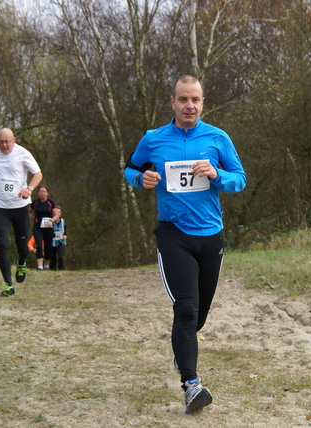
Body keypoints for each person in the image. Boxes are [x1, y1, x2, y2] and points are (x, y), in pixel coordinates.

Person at [124, 75, 247, 414]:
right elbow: (130, 169)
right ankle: (191, 384)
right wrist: (140, 178)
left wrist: (217, 175)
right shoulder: (154, 139)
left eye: (195, 100)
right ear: (172, 102)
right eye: (183, 99)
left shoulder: (217, 138)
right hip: (174, 235)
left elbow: (241, 179)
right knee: (186, 308)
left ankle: (183, 353)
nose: (189, 105)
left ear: (202, 103)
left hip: (211, 237)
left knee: (199, 317)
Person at [0, 128, 42, 296]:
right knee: (2, 246)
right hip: (0, 207)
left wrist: (29, 189)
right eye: (1, 142)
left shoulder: (23, 153)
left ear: (14, 140)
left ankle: (22, 262)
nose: (4, 145)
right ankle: (7, 285)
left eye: (7, 141)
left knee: (22, 247)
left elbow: (38, 174)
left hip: (20, 207)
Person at [30, 185, 57, 270]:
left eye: (44, 191)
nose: (42, 193)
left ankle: (46, 264)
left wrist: (51, 221)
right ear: (38, 193)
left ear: (47, 193)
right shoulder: (35, 203)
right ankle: (40, 266)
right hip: (38, 227)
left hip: (48, 227)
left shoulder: (51, 202)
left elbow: (56, 215)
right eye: (41, 191)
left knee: (48, 246)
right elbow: (29, 212)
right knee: (38, 245)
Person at [49, 206, 67, 271]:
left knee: (60, 256)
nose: (58, 213)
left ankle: (61, 269)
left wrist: (65, 236)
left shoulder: (63, 221)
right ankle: (52, 269)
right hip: (52, 241)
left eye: (59, 212)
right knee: (53, 257)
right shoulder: (50, 221)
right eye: (56, 212)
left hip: (60, 241)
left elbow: (65, 230)